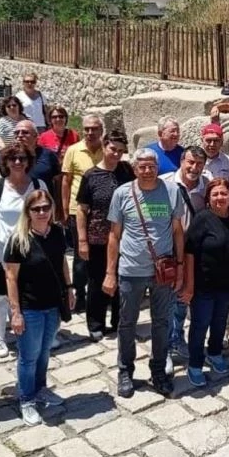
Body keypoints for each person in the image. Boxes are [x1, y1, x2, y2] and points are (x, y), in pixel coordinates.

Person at [105, 148, 185, 399]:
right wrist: (110, 272)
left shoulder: (171, 191)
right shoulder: (122, 194)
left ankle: (159, 369)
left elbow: (177, 232)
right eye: (143, 167)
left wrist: (180, 268)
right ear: (135, 168)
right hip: (131, 269)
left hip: (162, 271)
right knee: (127, 323)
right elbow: (114, 235)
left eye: (152, 166)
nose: (148, 170)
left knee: (161, 323)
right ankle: (125, 370)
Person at [4, 190, 73, 426]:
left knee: (44, 353)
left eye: (46, 207)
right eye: (37, 209)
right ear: (28, 212)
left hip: (52, 305)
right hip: (30, 308)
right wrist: (15, 313)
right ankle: (26, 399)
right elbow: (11, 278)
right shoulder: (19, 240)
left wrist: (70, 288)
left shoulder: (57, 233)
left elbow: (62, 260)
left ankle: (40, 388)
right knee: (28, 357)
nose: (42, 212)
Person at [0, 144, 46, 357]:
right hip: (2, 249)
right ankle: (0, 337)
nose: (18, 162)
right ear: (6, 162)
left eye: (22, 158)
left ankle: (28, 333)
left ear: (29, 161)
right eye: (13, 159)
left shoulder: (38, 185)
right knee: (1, 297)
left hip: (31, 249)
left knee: (29, 293)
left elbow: (47, 215)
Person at [181, 179, 229, 387]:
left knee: (220, 322)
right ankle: (195, 364)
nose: (220, 198)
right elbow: (189, 252)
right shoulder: (202, 219)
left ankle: (215, 352)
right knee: (200, 325)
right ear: (208, 198)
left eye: (224, 193)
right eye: (215, 194)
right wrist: (189, 286)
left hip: (226, 284)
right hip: (203, 285)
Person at [75, 129, 134, 341]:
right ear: (104, 146)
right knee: (97, 281)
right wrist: (82, 240)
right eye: (113, 149)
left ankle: (118, 322)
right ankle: (96, 323)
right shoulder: (91, 176)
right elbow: (82, 210)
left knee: (122, 282)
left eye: (121, 151)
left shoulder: (127, 171)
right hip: (98, 237)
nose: (116, 154)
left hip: (125, 237)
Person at [161, 146, 209, 364]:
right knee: (169, 299)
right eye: (190, 162)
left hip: (195, 252)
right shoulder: (165, 182)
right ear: (182, 160)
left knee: (183, 298)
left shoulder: (207, 185)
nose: (194, 167)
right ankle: (168, 344)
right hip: (169, 250)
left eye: (199, 164)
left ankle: (177, 337)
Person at [62, 115, 105, 311]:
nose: (90, 132)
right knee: (81, 255)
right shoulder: (73, 150)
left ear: (101, 130)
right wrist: (64, 209)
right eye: (87, 128)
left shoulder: (108, 150)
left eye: (94, 128)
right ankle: (80, 293)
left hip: (102, 212)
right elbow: (66, 181)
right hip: (77, 210)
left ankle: (101, 292)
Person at [0, 121, 61, 201]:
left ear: (35, 136)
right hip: (12, 204)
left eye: (25, 132)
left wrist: (59, 207)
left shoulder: (49, 155)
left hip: (41, 206)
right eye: (17, 133)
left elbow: (58, 183)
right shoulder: (7, 153)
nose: (20, 135)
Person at [201, 123, 229, 189]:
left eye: (216, 140)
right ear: (202, 140)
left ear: (222, 142)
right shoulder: (194, 160)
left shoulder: (228, 162)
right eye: (208, 140)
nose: (212, 144)